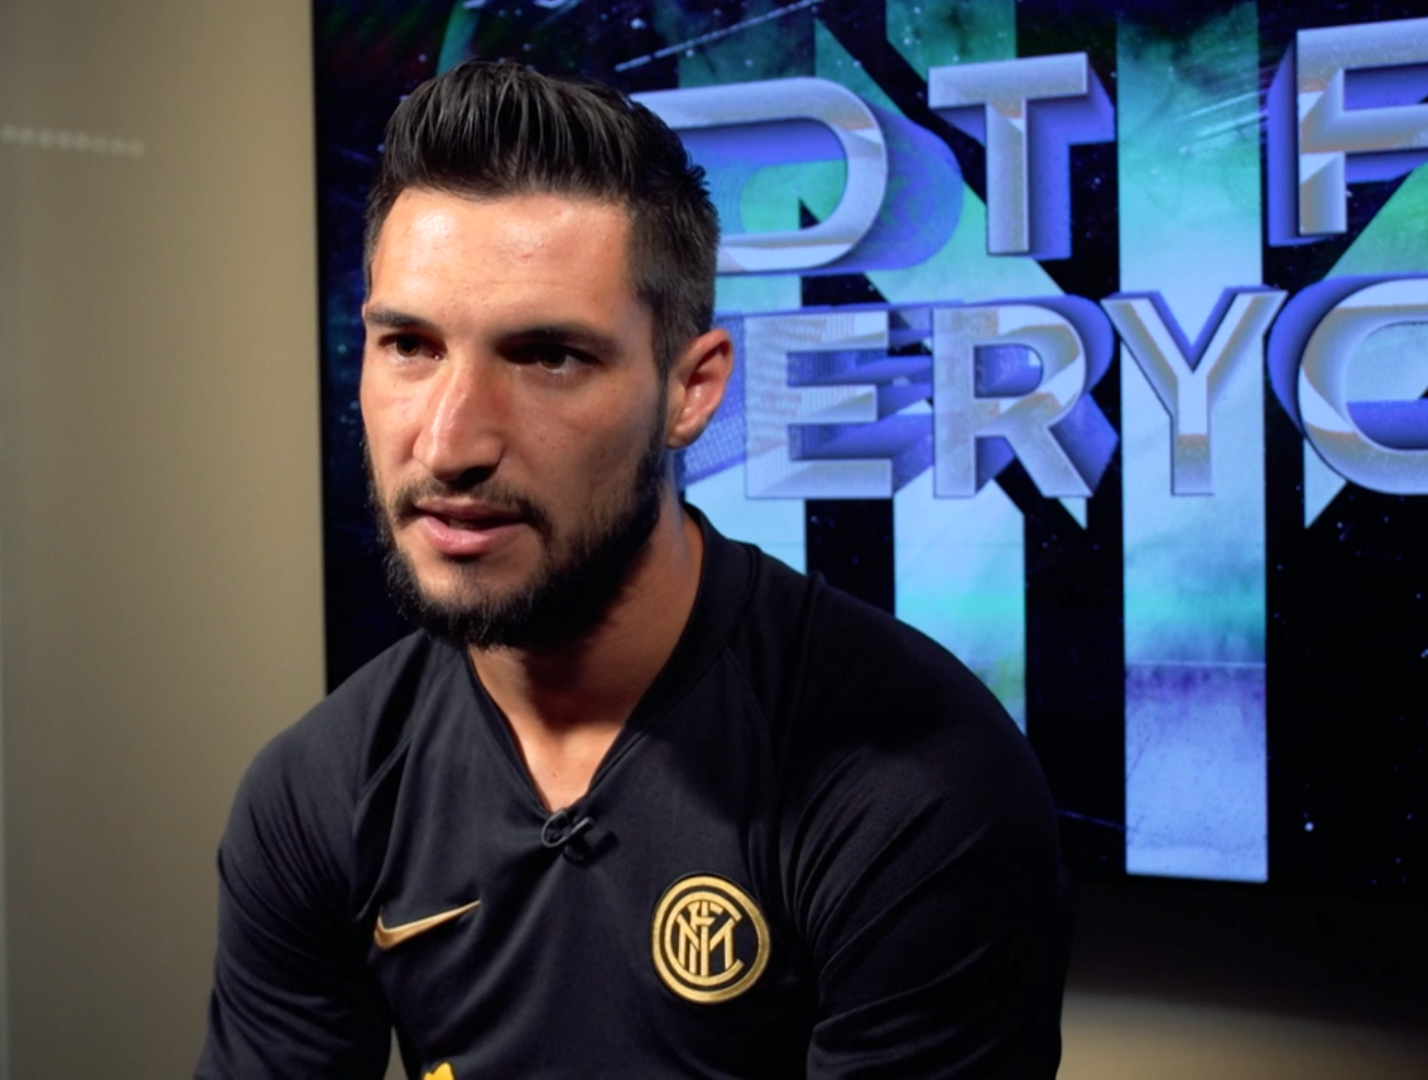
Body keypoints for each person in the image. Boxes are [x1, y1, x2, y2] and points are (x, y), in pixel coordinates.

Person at [198, 61, 1069, 1079]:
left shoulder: (918, 788)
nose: (447, 442)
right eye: (410, 346)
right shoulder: (318, 790)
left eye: (548, 356)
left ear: (691, 390)